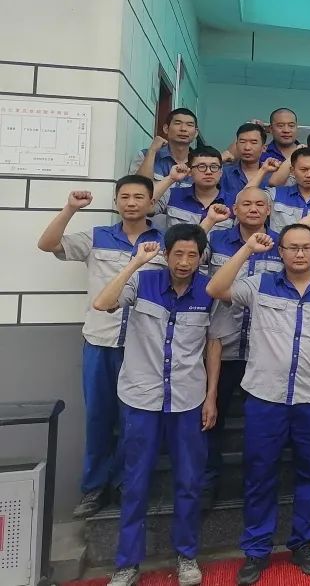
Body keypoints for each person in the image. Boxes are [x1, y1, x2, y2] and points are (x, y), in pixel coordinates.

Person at [206, 225, 310, 585]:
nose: (300, 254)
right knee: (259, 475)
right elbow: (216, 289)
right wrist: (247, 250)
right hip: (265, 398)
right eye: (292, 248)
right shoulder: (260, 285)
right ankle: (257, 549)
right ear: (281, 252)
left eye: (306, 247)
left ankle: (304, 543)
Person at [91, 225, 215, 586]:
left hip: (187, 400)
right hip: (141, 398)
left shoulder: (209, 290)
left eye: (192, 255)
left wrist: (211, 397)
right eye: (178, 254)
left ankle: (186, 555)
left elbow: (214, 345)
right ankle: (127, 563)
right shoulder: (143, 281)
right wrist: (135, 263)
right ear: (166, 253)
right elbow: (103, 303)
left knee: (189, 481)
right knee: (135, 482)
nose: (184, 262)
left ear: (201, 258)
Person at [37, 176, 164, 519]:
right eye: (125, 197)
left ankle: (126, 484)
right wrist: (70, 208)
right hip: (101, 342)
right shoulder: (97, 237)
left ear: (152, 203)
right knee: (99, 417)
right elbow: (47, 244)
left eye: (139, 197)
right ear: (116, 201)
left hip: (143, 348)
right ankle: (94, 487)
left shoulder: (164, 243)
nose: (131, 202)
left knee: (134, 421)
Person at [201, 187, 283, 505]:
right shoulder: (217, 240)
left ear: (269, 210)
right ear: (235, 209)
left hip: (265, 351)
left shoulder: (280, 244)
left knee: (262, 425)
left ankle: (259, 485)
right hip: (223, 346)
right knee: (212, 418)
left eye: (260, 204)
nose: (253, 209)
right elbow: (188, 258)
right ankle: (208, 482)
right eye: (246, 203)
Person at [260, 147, 310, 234]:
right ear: (292, 171)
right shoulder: (275, 194)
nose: (309, 175)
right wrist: (263, 170)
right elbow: (247, 198)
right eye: (303, 170)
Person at [152, 146, 231, 231]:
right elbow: (146, 207)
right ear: (190, 172)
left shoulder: (234, 202)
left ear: (221, 172)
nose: (208, 172)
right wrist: (171, 178)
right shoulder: (173, 194)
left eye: (214, 167)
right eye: (202, 166)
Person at [132, 107, 199, 182]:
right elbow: (140, 187)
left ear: (196, 133)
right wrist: (152, 151)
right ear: (166, 129)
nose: (183, 129)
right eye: (177, 123)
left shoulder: (201, 164)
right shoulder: (145, 155)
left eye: (189, 125)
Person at [220, 123, 269, 208]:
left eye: (253, 142)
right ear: (236, 145)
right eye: (242, 142)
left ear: (264, 148)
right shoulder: (223, 173)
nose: (247, 147)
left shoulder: (272, 176)